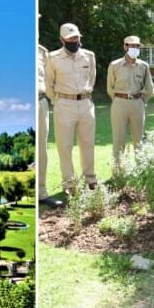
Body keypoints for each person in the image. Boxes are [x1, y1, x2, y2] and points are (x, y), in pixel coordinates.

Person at [45, 23, 98, 192]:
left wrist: (85, 94)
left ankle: (90, 179)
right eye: (70, 39)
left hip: (85, 103)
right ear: (62, 39)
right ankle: (69, 183)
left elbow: (92, 78)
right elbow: (48, 84)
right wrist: (58, 101)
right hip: (64, 104)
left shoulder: (89, 56)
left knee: (88, 143)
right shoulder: (52, 58)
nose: (74, 41)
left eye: (76, 38)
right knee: (64, 146)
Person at [107, 35, 154, 178]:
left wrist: (141, 101)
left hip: (137, 103)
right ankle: (117, 173)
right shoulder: (114, 65)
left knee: (138, 140)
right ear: (125, 46)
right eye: (131, 45)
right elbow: (110, 88)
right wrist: (118, 100)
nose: (134, 48)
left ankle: (141, 171)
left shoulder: (143, 66)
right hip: (119, 103)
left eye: (137, 46)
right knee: (118, 139)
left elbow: (149, 87)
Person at [37, 43, 57, 206]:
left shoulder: (43, 52)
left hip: (40, 101)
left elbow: (49, 79)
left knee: (41, 149)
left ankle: (41, 193)